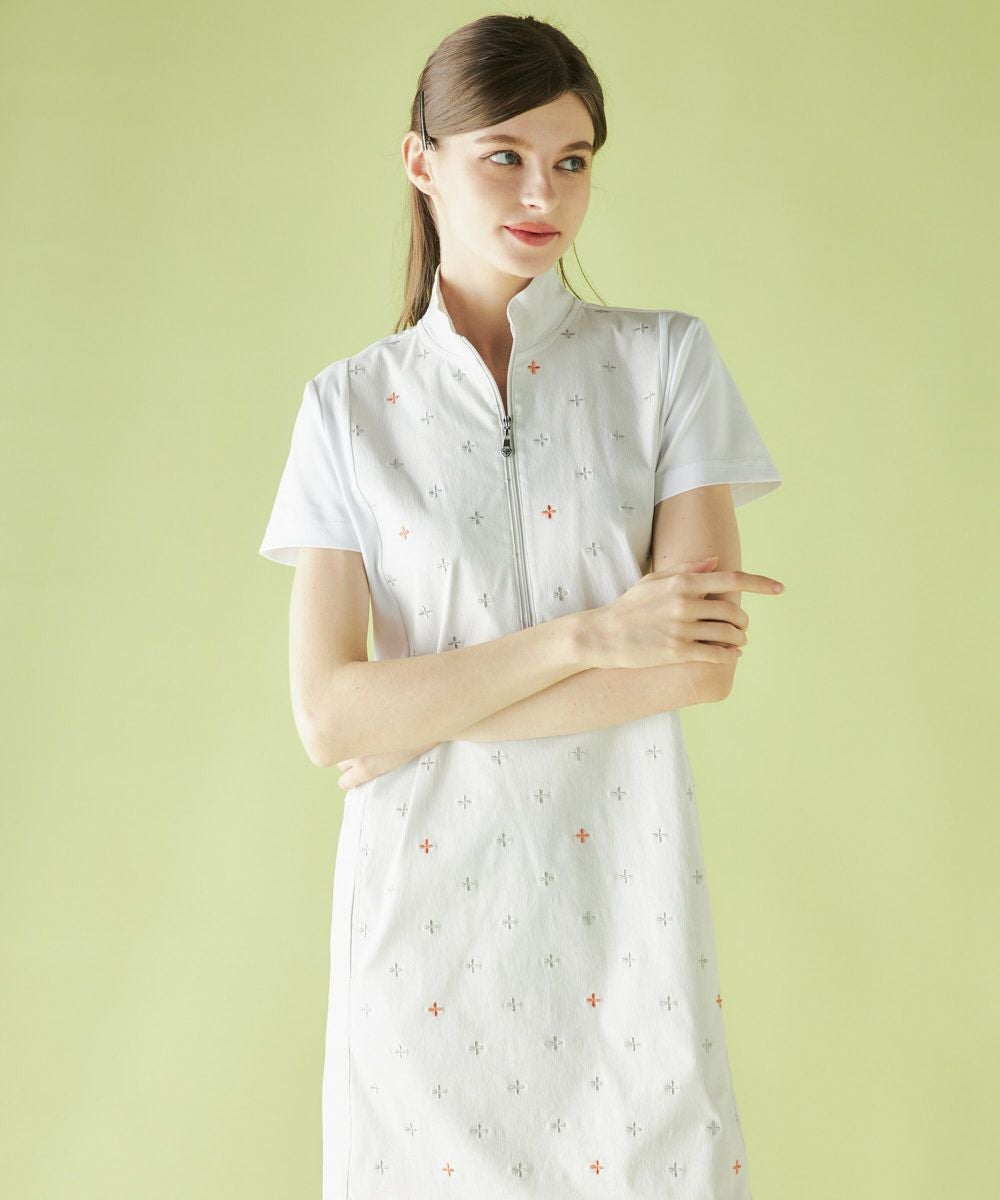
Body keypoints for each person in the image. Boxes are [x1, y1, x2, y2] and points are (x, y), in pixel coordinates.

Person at [259, 13, 784, 1199]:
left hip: (631, 930)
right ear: (422, 162)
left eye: (572, 159)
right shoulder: (345, 410)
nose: (543, 191)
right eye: (505, 154)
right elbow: (329, 718)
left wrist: (414, 713)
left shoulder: (665, 364)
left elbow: (696, 665)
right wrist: (593, 635)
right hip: (419, 952)